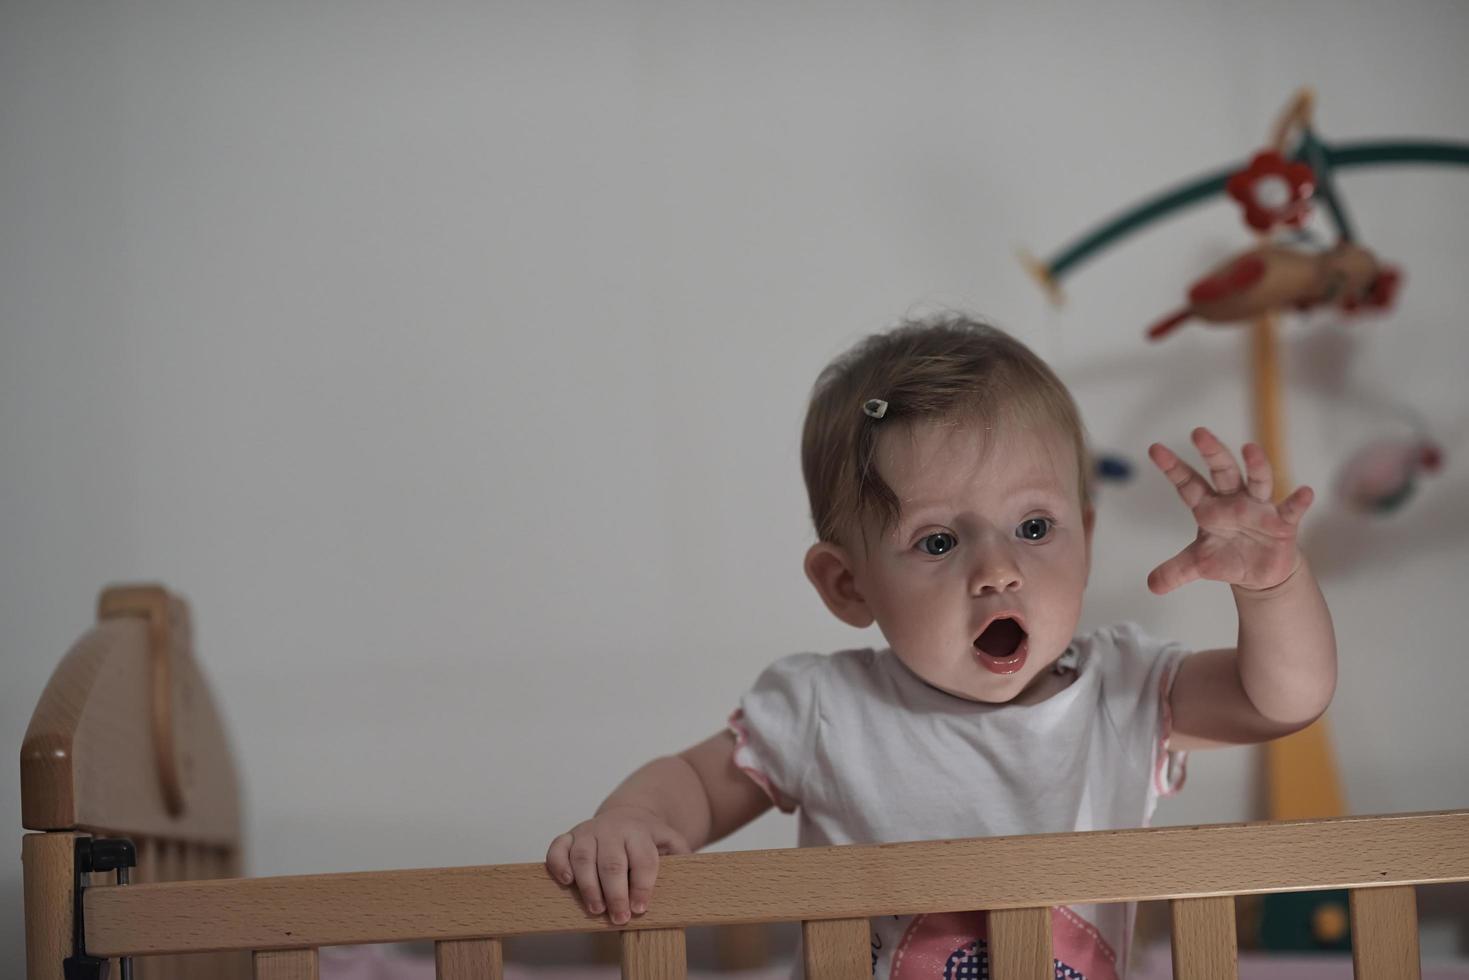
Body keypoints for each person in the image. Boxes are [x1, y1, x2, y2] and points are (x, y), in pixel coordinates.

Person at [546, 314, 1336, 979]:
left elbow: (1283, 699)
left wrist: (1270, 586)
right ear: (847, 585)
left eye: (1033, 528)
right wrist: (633, 820)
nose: (997, 570)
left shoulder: (1122, 693)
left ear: (1084, 540)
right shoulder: (827, 708)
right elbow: (694, 779)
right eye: (935, 541)